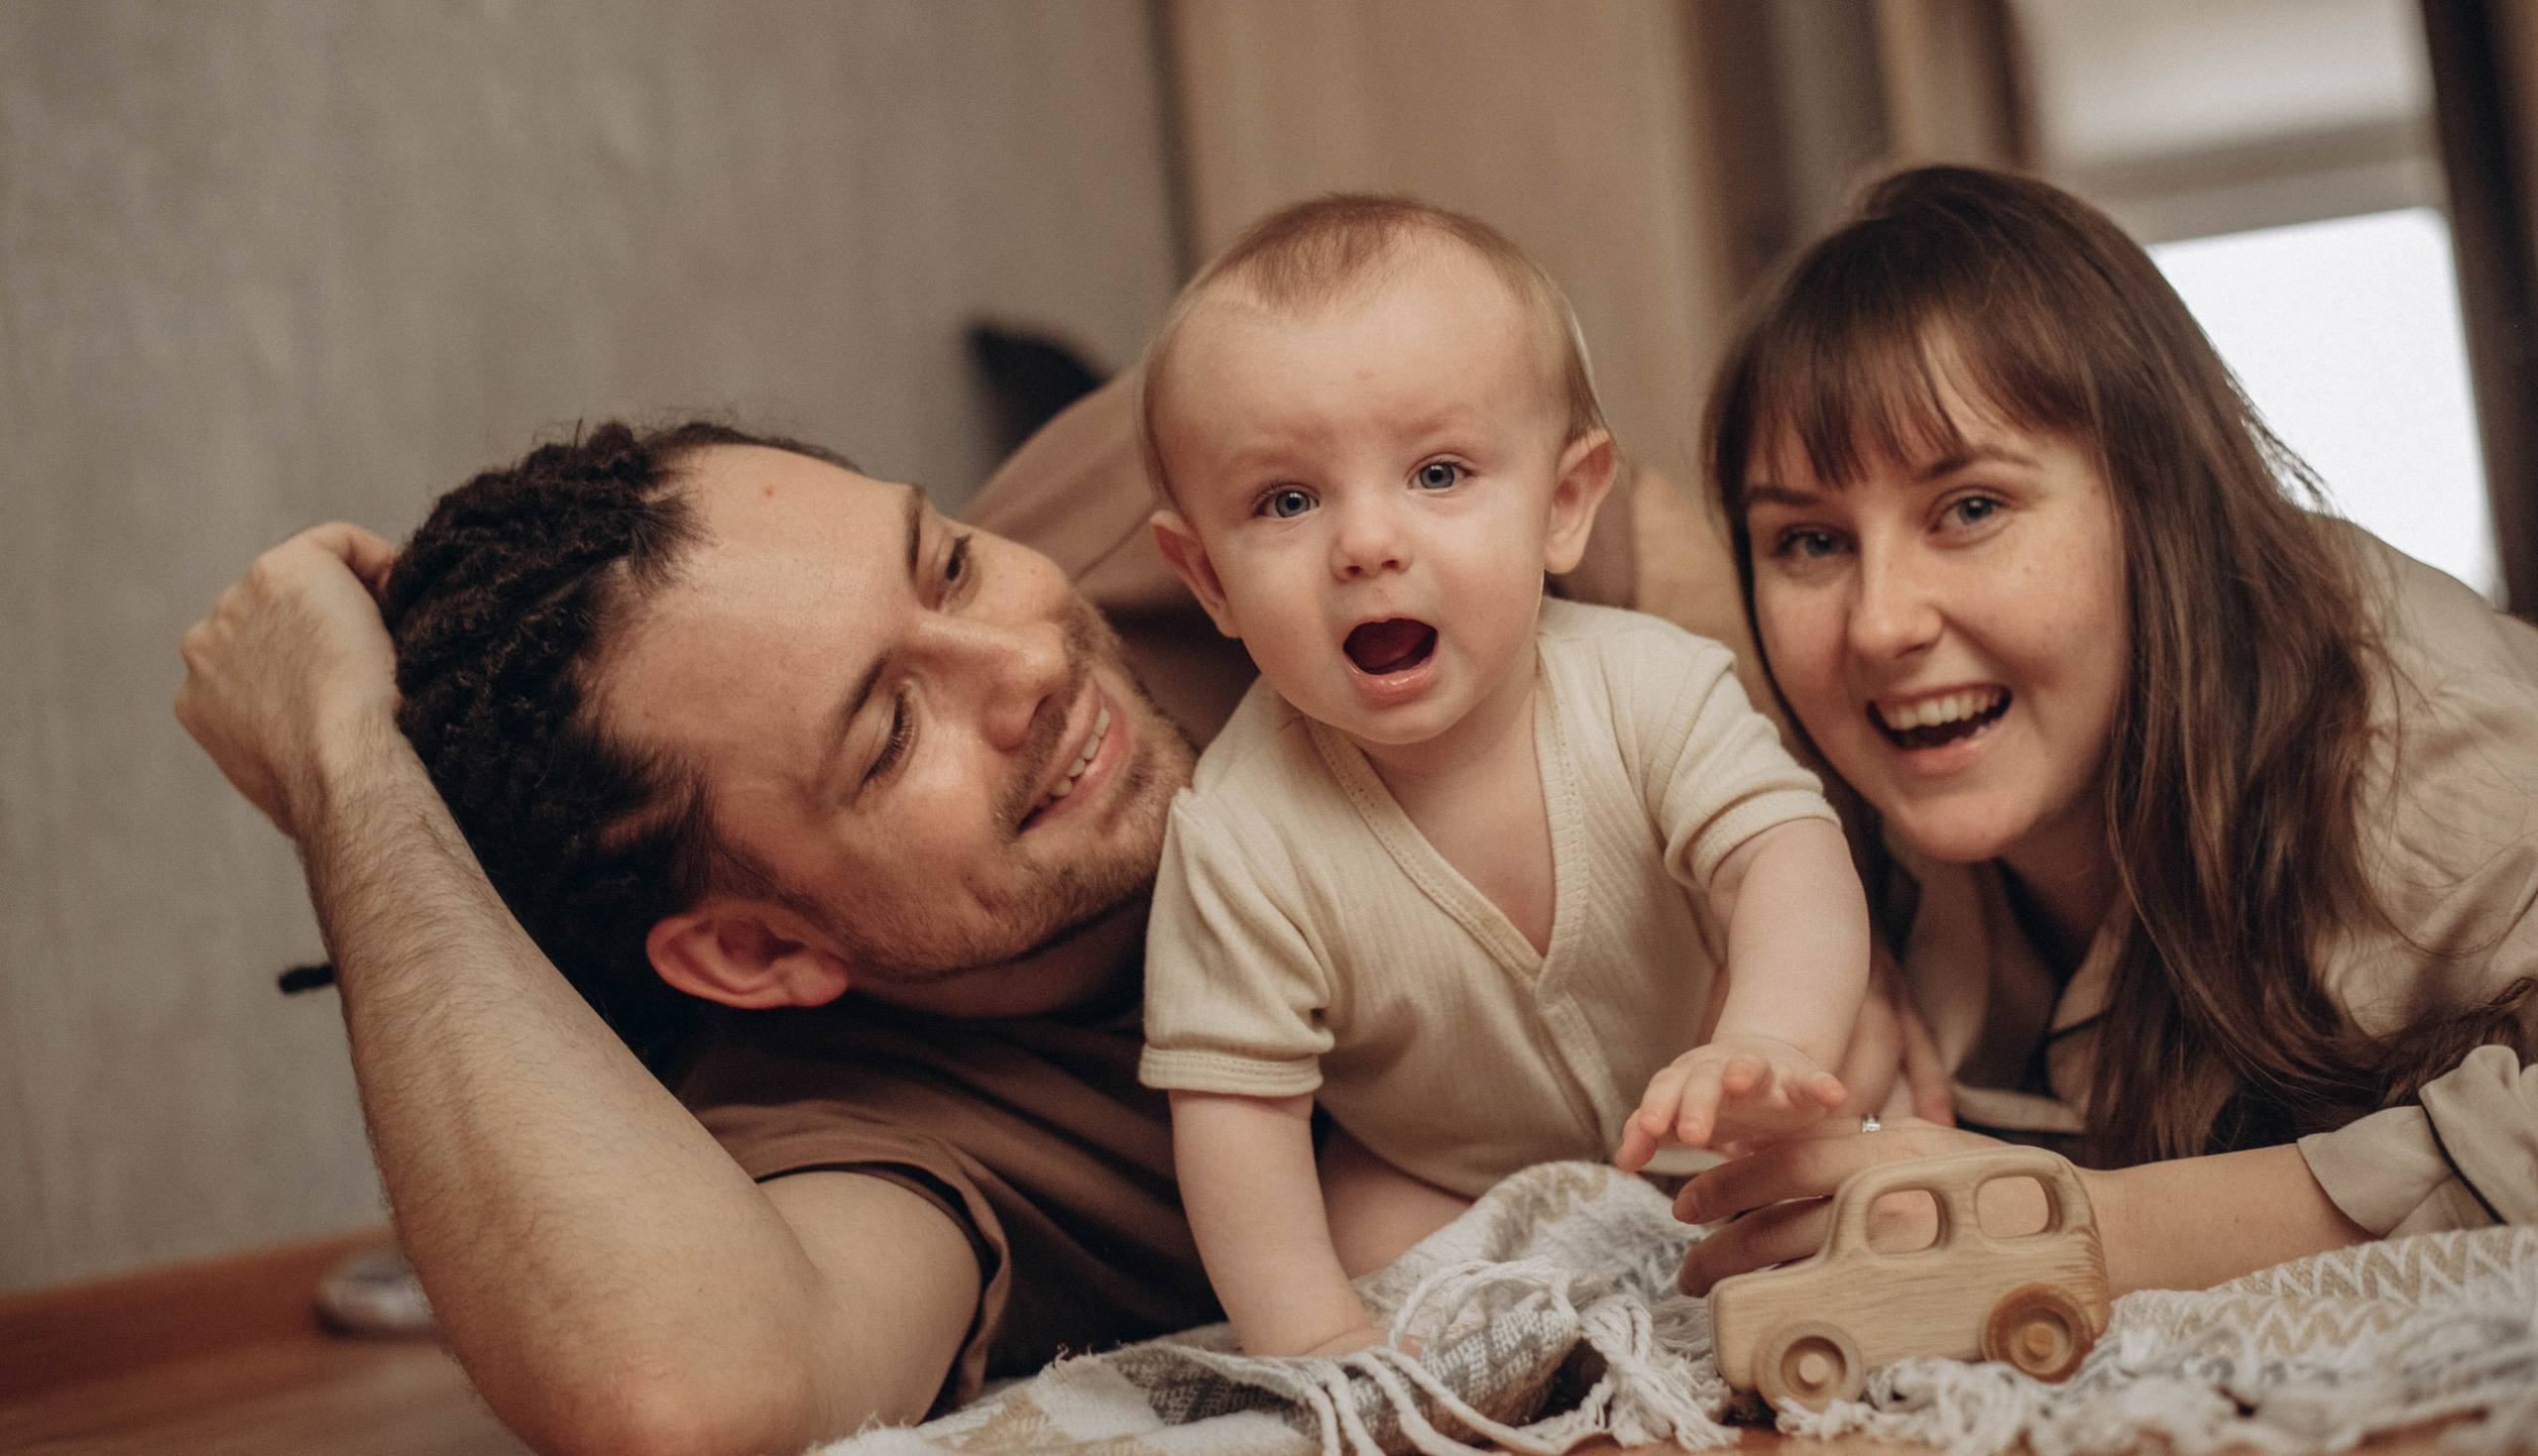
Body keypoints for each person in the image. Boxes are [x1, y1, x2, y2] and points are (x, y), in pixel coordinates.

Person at [175, 399, 1943, 1452]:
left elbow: (1737, 562)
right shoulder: (866, 1133)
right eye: (888, 732)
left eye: (942, 558)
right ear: (756, 951)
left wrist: (1860, 916)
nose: (1026, 666)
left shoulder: (1198, 498)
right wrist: (350, 771)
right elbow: (677, 1390)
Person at [1671, 165, 2538, 1301]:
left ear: (2156, 503)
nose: (1879, 624)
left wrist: (2090, 1224)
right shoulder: (1825, 826)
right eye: (1808, 542)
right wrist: (1833, 942)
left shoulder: (2422, 735)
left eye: (1970, 508)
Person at [1132, 197, 1870, 1358]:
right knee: (1366, 1257)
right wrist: (1316, 1341)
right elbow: (1237, 1119)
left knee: (1861, 1152)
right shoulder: (1237, 833)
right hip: (1437, 1169)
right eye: (1286, 500)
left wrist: (1771, 1034)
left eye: (1437, 471)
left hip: (1717, 1110)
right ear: (1209, 579)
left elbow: (1784, 857)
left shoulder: (1651, 686)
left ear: (1565, 503)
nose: (1366, 542)